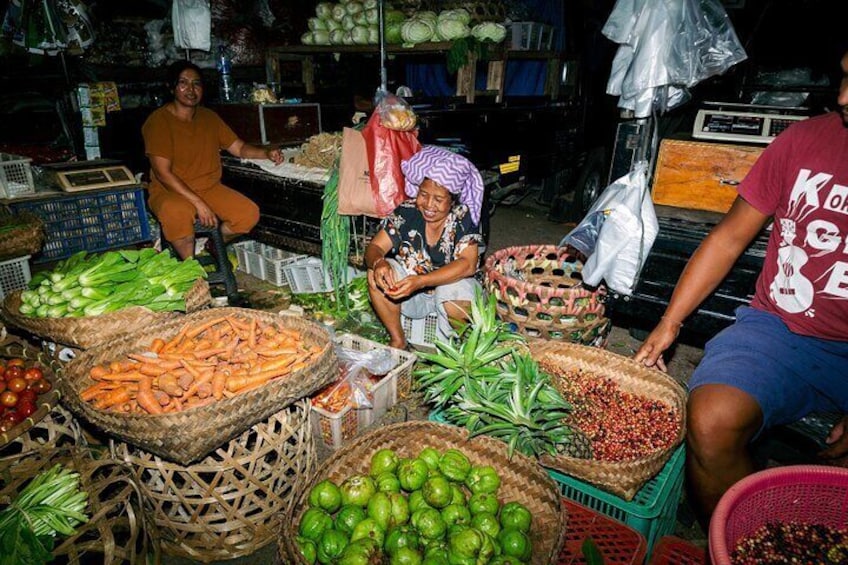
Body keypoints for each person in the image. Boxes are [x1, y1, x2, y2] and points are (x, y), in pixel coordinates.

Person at [634, 51, 848, 526]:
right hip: (778, 331)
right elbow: (729, 237)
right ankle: (751, 536)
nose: (843, 97)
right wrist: (670, 322)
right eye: (846, 77)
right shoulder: (804, 141)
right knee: (709, 420)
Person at [142, 60, 283, 259]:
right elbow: (163, 173)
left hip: (208, 188)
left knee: (247, 214)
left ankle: (213, 245)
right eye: (183, 83)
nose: (190, 89)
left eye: (196, 84)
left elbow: (239, 148)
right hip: (169, 191)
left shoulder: (209, 118)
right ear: (172, 87)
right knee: (178, 213)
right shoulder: (158, 121)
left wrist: (266, 153)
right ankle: (190, 270)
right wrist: (199, 204)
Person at [365, 145, 485, 350]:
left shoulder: (462, 218)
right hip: (412, 295)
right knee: (375, 276)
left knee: (453, 291)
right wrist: (378, 262)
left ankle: (456, 350)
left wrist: (421, 281)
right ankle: (398, 340)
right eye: (423, 194)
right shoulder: (407, 212)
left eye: (438, 199)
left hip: (449, 296)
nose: (429, 205)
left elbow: (468, 264)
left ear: (452, 201)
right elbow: (375, 246)